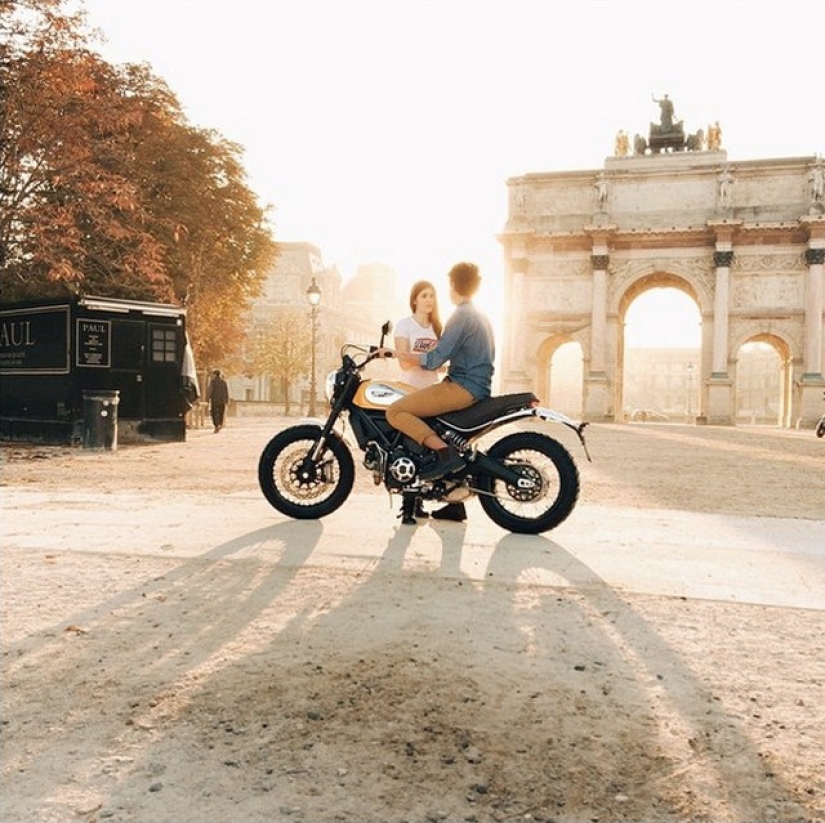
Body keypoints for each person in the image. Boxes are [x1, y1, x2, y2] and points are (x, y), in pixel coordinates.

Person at [380, 262, 495, 524]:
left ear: (453, 286)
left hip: (462, 387)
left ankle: (445, 453)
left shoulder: (461, 316)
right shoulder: (480, 315)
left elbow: (434, 360)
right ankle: (449, 497)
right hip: (477, 385)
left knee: (396, 411)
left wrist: (393, 353)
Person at [207, 369, 229, 433]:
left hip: (215, 400)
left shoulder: (213, 382)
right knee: (221, 413)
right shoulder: (224, 382)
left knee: (214, 413)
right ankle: (220, 424)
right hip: (222, 401)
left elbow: (210, 390)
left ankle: (216, 425)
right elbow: (226, 392)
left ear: (215, 375)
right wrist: (226, 400)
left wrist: (208, 398)